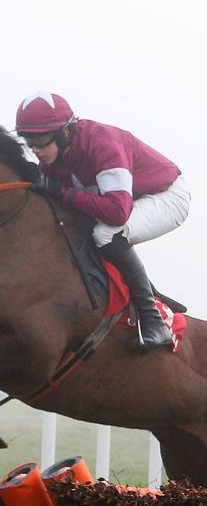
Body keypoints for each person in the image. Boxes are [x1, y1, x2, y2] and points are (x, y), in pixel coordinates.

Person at [15, 92, 190, 350]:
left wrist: (62, 192)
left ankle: (154, 321)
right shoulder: (53, 159)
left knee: (106, 233)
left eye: (40, 141)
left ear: (65, 131)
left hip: (166, 196)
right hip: (126, 201)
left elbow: (117, 212)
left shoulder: (102, 143)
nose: (35, 150)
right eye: (29, 142)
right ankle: (151, 294)